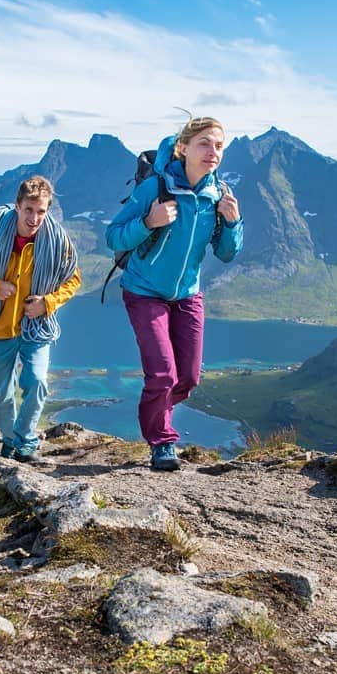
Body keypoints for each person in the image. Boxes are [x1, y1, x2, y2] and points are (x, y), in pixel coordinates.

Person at [105, 116, 243, 471]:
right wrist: (148, 222)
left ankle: (159, 414)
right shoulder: (156, 188)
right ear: (183, 148)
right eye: (204, 144)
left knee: (188, 378)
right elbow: (114, 236)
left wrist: (232, 223)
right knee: (163, 374)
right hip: (144, 292)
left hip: (187, 295)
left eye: (219, 146)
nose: (213, 152)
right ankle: (162, 442)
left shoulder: (218, 195)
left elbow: (226, 253)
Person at [0, 175, 81, 464]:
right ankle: (10, 441)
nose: (35, 218)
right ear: (17, 206)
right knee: (1, 397)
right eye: (29, 210)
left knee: (36, 383)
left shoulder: (57, 242)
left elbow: (73, 279)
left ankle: (25, 442)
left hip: (37, 327)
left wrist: (47, 303)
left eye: (41, 212)